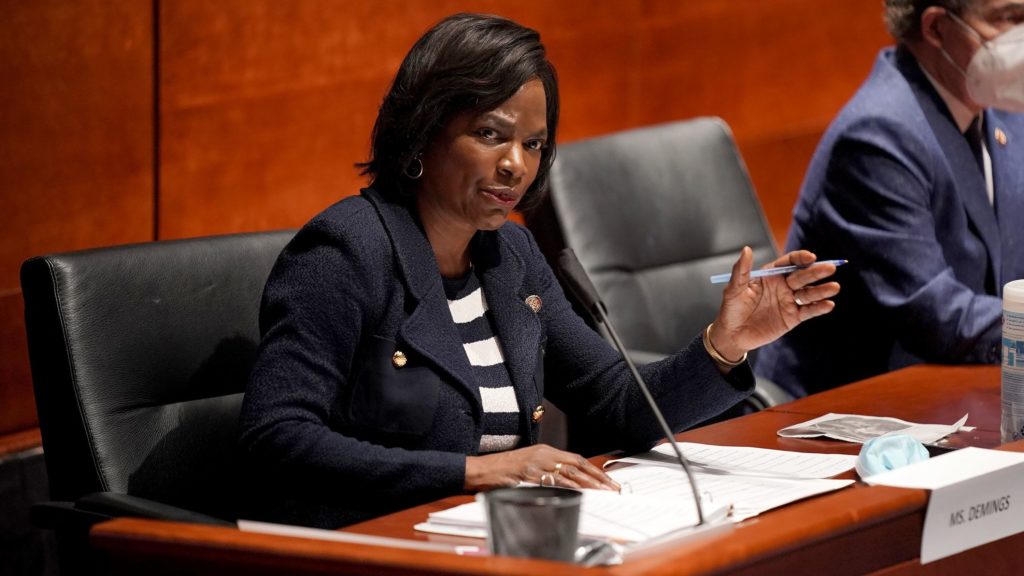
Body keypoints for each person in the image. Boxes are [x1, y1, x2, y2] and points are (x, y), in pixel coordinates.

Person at [239, 13, 839, 529]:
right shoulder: (346, 253)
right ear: (422, 133)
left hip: (497, 539)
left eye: (533, 145)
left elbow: (613, 402)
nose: (515, 166)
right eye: (490, 135)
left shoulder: (510, 259)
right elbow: (276, 437)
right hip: (375, 543)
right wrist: (472, 472)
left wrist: (724, 345)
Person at [756, 0, 1024, 398]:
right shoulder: (878, 134)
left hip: (957, 393)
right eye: (1009, 18)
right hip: (843, 416)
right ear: (936, 28)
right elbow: (936, 314)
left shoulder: (1001, 108)